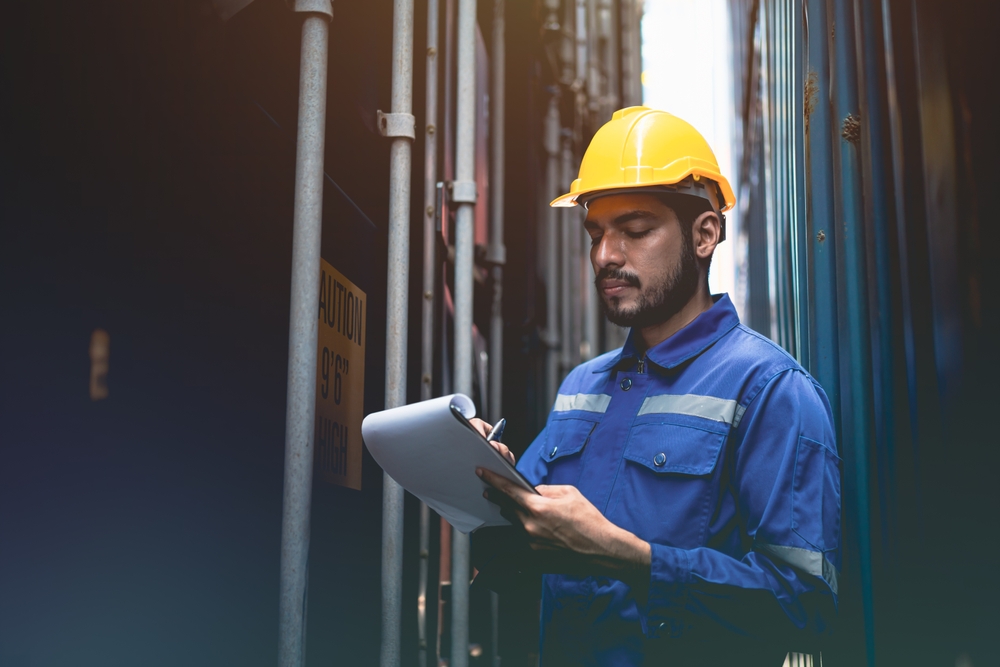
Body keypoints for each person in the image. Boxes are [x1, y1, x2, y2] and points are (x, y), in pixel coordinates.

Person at [469, 107, 841, 666]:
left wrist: (629, 558)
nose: (605, 255)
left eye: (636, 231)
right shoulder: (580, 387)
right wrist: (485, 480)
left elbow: (806, 605)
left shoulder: (770, 390)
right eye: (596, 233)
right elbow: (518, 562)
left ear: (705, 234)